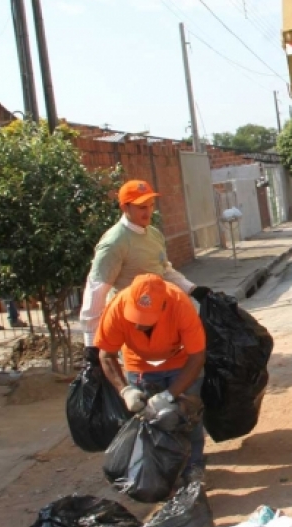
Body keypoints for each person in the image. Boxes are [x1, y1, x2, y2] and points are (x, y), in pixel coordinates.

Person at [96, 273, 208, 483]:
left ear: (163, 307)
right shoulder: (117, 307)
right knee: (151, 421)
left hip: (181, 364)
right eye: (135, 317)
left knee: (188, 417)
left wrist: (170, 394)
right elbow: (106, 355)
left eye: (145, 321)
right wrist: (125, 390)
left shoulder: (180, 304)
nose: (138, 326)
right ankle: (161, 472)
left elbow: (197, 356)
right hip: (140, 366)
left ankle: (194, 467)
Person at [80, 179, 210, 360]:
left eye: (151, 205)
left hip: (159, 319)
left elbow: (164, 270)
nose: (148, 211)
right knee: (137, 378)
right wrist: (91, 346)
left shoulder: (153, 234)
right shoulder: (115, 243)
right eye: (142, 207)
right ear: (125, 208)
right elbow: (95, 291)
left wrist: (192, 289)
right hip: (131, 324)